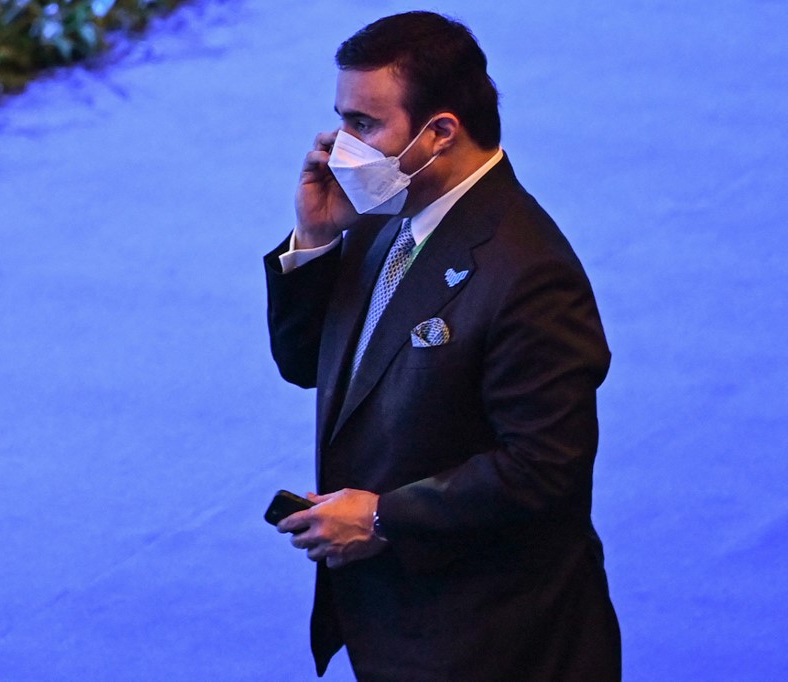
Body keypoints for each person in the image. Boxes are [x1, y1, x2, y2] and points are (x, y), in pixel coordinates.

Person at [263, 11, 621, 681]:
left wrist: (382, 517)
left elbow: (546, 467)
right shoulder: (382, 216)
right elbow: (306, 364)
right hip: (397, 624)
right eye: (341, 121)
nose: (341, 149)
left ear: (440, 132)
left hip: (497, 641)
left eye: (364, 125)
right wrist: (314, 240)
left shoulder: (529, 271)